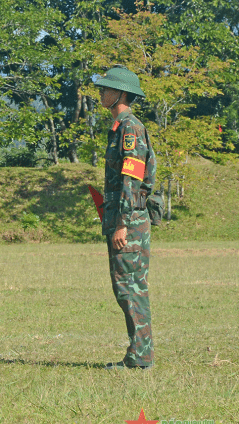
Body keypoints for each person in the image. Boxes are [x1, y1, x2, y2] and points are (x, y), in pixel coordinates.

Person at [94, 66, 157, 370]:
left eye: (106, 89)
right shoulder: (120, 126)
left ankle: (141, 358)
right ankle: (139, 354)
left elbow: (132, 178)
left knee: (131, 288)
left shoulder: (130, 128)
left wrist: (121, 223)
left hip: (128, 223)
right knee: (126, 288)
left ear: (121, 94)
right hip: (123, 218)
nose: (101, 93)